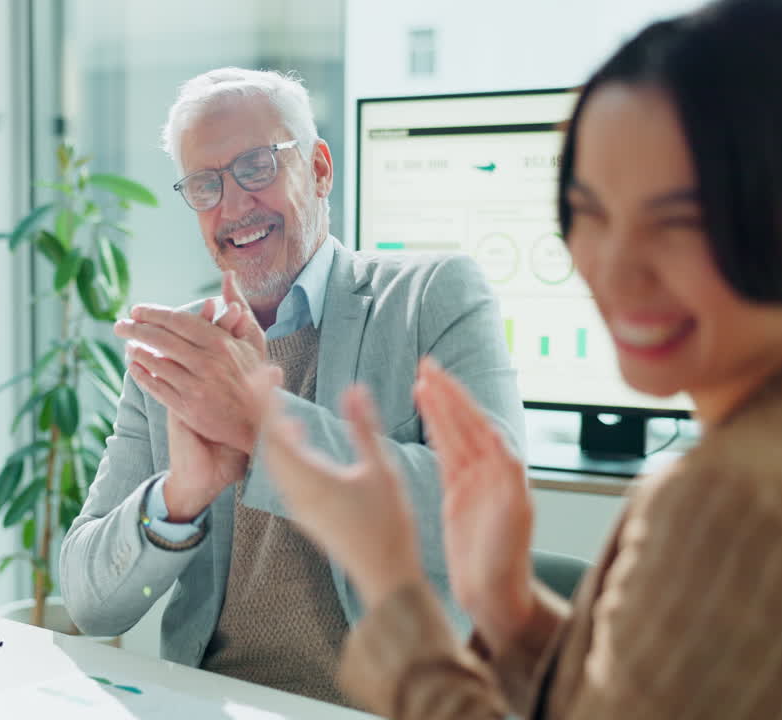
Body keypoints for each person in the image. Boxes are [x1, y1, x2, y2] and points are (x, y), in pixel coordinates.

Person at [254, 0, 782, 717]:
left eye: (680, 221)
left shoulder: (725, 497)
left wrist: (390, 585)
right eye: (590, 212)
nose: (616, 270)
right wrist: (506, 609)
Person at [59, 67, 525, 704]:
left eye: (256, 165)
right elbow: (91, 604)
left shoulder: (431, 297)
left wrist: (264, 426)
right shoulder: (182, 360)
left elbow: (492, 514)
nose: (233, 205)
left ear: (320, 169)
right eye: (205, 184)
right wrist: (179, 497)